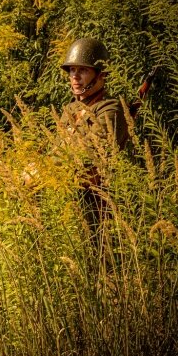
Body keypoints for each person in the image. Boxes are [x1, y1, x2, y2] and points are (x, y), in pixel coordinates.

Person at [57, 37, 128, 233]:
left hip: (97, 206)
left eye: (83, 70)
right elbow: (54, 149)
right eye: (72, 70)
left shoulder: (110, 109)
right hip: (66, 200)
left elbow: (91, 154)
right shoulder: (70, 109)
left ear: (100, 75)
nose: (75, 76)